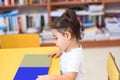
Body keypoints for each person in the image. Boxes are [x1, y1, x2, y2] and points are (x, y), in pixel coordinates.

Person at [36, 8, 86, 80]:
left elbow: (69, 78)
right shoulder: (69, 48)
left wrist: (51, 78)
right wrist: (61, 52)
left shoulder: (75, 57)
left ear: (67, 35)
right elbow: (68, 53)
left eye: (56, 38)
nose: (55, 42)